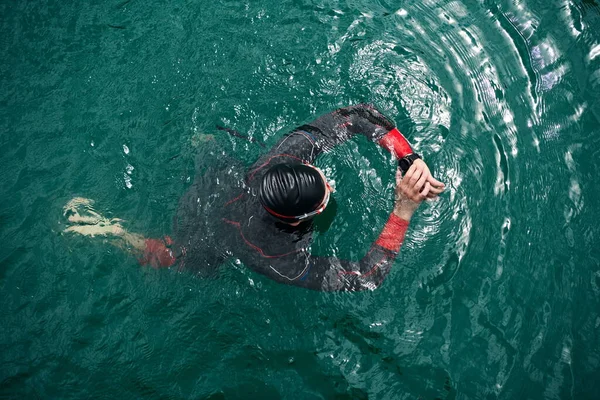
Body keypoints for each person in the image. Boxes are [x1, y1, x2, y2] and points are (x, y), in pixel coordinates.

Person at [64, 104, 444, 291]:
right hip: (216, 238)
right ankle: (108, 230)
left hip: (216, 180)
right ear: (296, 220)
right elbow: (367, 277)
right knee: (173, 256)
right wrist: (403, 208)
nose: (329, 183)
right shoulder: (279, 257)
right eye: (325, 191)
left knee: (212, 150)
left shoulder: (284, 156)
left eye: (319, 176)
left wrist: (407, 156)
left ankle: (197, 141)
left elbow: (358, 115)